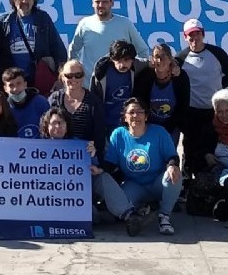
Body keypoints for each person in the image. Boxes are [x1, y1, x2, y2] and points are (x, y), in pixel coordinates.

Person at [41, 107, 144, 236]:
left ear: (67, 126)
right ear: (46, 126)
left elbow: (94, 168)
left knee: (103, 177)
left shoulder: (79, 145)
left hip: (80, 191)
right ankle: (106, 214)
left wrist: (92, 155)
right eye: (54, 123)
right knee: (92, 215)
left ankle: (130, 215)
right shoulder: (37, 148)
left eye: (61, 123)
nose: (58, 126)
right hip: (52, 197)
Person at [99, 98, 182, 236]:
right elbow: (110, 163)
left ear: (146, 116)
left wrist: (172, 166)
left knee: (174, 174)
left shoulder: (159, 132)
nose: (136, 116)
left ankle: (164, 216)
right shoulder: (118, 134)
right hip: (134, 184)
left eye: (140, 112)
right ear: (125, 117)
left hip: (158, 182)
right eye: (131, 112)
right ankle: (145, 208)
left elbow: (172, 157)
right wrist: (100, 169)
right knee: (118, 204)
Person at [175, 18, 228, 175]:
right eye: (190, 35)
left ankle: (212, 177)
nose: (194, 38)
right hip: (192, 111)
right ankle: (187, 180)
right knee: (190, 145)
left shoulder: (217, 53)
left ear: (203, 34)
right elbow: (176, 82)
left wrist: (217, 90)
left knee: (212, 146)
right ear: (185, 37)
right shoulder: (180, 58)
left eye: (197, 34)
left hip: (214, 111)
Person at [185, 88, 228, 218]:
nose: (224, 115)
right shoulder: (210, 127)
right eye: (220, 111)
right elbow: (199, 148)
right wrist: (207, 154)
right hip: (215, 168)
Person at [68, 0, 149, 81]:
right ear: (92, 3)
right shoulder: (84, 24)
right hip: (90, 86)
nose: (101, 5)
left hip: (120, 85)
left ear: (112, 3)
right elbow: (73, 51)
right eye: (97, 2)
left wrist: (138, 74)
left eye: (105, 2)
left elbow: (143, 51)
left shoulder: (125, 23)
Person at [0, 0, 67, 94]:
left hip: (39, 81)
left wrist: (60, 77)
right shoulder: (3, 22)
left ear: (33, 0)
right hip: (14, 84)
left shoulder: (43, 19)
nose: (24, 1)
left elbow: (59, 50)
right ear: (14, 0)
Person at [133, 43, 190, 146]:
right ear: (152, 60)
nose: (159, 60)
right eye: (156, 57)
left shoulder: (180, 77)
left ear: (170, 59)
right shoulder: (144, 76)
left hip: (172, 125)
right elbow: (138, 102)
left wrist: (169, 126)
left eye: (163, 56)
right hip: (148, 126)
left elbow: (183, 105)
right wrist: (148, 126)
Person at [48, 60, 106, 160]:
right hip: (56, 155)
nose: (74, 79)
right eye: (69, 75)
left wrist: (97, 158)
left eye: (78, 75)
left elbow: (99, 136)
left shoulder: (94, 102)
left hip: (84, 157)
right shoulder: (54, 99)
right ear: (62, 77)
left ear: (83, 77)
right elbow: (45, 127)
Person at [90, 40, 148, 135]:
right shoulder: (101, 72)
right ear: (112, 59)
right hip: (106, 123)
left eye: (126, 60)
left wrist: (175, 65)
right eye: (118, 61)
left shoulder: (137, 65)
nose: (122, 65)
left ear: (132, 60)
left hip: (128, 123)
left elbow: (155, 63)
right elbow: (93, 98)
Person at [2, 67, 50, 138]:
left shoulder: (41, 102)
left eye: (19, 83)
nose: (15, 89)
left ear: (25, 84)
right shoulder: (4, 107)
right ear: (5, 89)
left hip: (39, 147)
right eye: (11, 85)